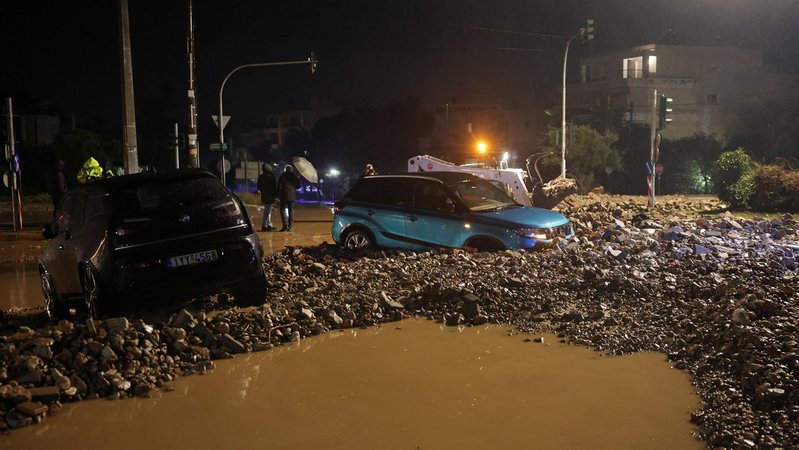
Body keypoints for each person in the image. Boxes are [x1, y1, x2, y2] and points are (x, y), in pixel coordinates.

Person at [277, 165, 300, 232]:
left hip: (284, 196)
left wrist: (278, 195)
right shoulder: (294, 177)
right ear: (291, 170)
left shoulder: (282, 176)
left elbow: (279, 186)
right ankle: (290, 226)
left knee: (282, 210)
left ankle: (284, 226)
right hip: (292, 196)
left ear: (285, 170)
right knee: (291, 211)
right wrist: (298, 180)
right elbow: (298, 186)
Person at [256, 163, 278, 231]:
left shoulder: (261, 177)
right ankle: (264, 225)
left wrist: (263, 190)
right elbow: (274, 187)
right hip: (270, 196)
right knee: (267, 211)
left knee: (268, 210)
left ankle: (269, 224)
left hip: (265, 196)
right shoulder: (271, 176)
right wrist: (276, 195)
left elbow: (258, 187)